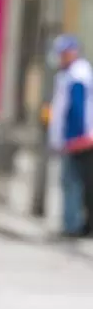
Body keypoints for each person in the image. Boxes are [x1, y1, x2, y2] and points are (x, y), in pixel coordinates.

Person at [49, 35, 93, 238]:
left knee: (73, 182)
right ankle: (79, 224)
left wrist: (75, 138)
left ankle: (73, 225)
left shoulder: (78, 76)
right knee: (80, 182)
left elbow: (78, 110)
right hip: (78, 139)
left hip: (79, 140)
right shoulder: (71, 74)